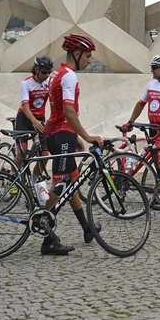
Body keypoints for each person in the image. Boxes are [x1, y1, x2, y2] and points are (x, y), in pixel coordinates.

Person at [41, 34, 105, 256]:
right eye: (87, 56)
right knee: (59, 184)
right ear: (76, 54)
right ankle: (46, 235)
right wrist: (87, 136)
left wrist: (74, 135)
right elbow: (68, 110)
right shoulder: (68, 76)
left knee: (73, 181)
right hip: (61, 134)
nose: (90, 60)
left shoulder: (57, 73)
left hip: (60, 133)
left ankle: (87, 228)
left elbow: (60, 111)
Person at [121, 54, 160, 212]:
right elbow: (141, 104)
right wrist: (131, 121)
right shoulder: (151, 85)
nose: (151, 70)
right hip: (154, 129)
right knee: (157, 160)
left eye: (154, 68)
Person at [14, 55, 52, 171]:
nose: (46, 76)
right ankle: (12, 178)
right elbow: (25, 107)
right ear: (36, 70)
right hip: (24, 119)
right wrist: (34, 121)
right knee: (22, 153)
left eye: (49, 73)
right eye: (44, 72)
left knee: (45, 156)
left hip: (40, 118)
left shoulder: (49, 82)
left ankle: (34, 184)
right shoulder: (26, 83)